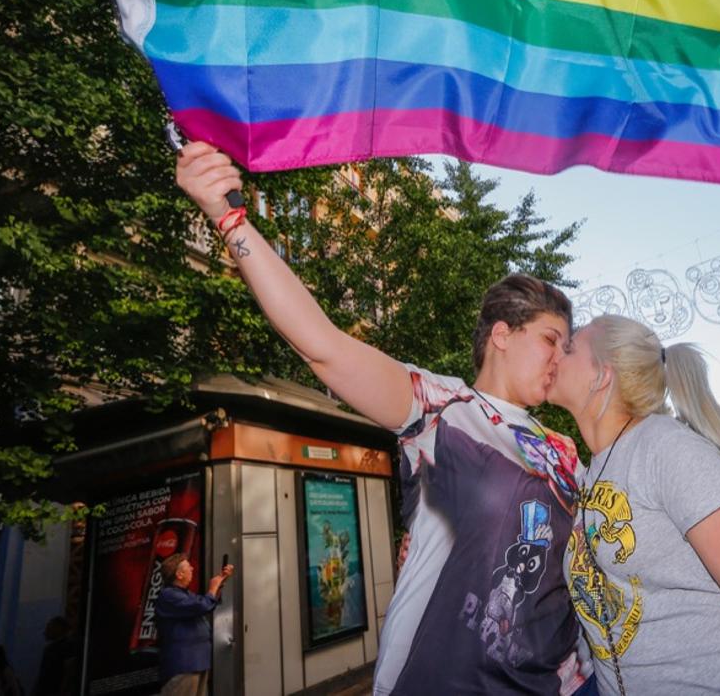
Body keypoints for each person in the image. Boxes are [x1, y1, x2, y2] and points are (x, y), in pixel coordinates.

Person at [175, 144, 588, 694]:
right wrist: (229, 218)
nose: (561, 356)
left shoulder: (563, 449)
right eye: (550, 339)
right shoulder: (442, 409)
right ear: (503, 335)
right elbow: (323, 345)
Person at [549, 314, 720, 695]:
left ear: (602, 375)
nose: (555, 354)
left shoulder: (668, 448)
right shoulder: (590, 475)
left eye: (568, 348)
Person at [154, 554, 232, 696]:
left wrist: (219, 584)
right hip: (183, 664)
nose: (192, 568)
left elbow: (207, 604)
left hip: (197, 661)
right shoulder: (168, 595)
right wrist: (213, 587)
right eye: (188, 566)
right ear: (179, 574)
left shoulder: (186, 594)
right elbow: (201, 606)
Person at [32, 617, 77, 696]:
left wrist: (61, 692)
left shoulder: (67, 646)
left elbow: (69, 671)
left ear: (58, 629)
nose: (45, 631)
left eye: (49, 627)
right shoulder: (49, 649)